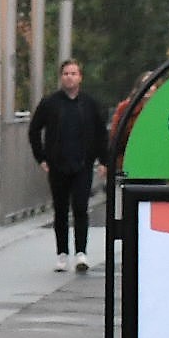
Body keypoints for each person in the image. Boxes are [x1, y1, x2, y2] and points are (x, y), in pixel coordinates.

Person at [28, 60, 109, 272]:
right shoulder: (50, 103)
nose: (69, 77)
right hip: (57, 165)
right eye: (65, 73)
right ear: (61, 77)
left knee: (81, 208)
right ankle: (62, 254)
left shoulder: (90, 104)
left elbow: (102, 133)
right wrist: (41, 157)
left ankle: (81, 253)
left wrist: (104, 160)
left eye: (73, 73)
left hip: (82, 164)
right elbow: (34, 130)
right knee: (61, 210)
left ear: (80, 77)